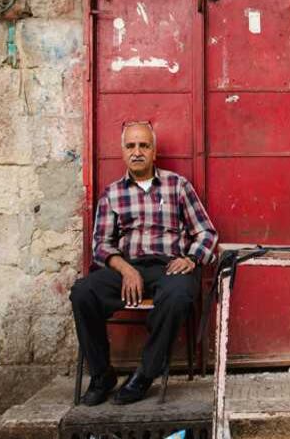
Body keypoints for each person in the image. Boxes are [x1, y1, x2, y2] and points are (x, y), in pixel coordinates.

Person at [70, 121, 218, 405]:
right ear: (122, 152)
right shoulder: (112, 194)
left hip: (169, 266)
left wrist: (191, 257)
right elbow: (101, 244)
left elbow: (206, 232)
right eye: (131, 146)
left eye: (144, 145)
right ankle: (102, 375)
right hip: (128, 267)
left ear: (154, 151)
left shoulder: (177, 186)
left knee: (179, 296)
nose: (137, 152)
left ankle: (145, 374)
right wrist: (126, 269)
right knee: (83, 293)